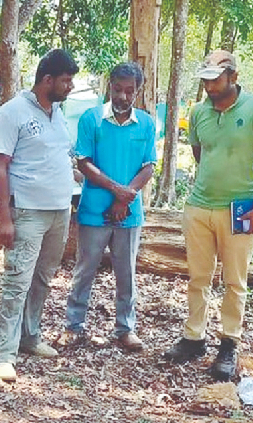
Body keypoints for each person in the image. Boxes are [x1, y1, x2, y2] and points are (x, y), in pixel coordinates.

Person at [162, 50, 253, 382]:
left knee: (234, 280)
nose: (209, 87)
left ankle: (229, 343)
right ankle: (193, 337)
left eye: (215, 80)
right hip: (199, 205)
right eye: (205, 81)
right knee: (198, 277)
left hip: (240, 206)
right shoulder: (199, 112)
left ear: (233, 77)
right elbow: (201, 153)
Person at [0, 49, 79, 383]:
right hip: (27, 210)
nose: (70, 86)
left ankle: (30, 336)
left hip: (59, 210)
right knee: (17, 281)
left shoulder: (58, 113)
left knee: (42, 278)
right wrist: (4, 217)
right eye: (66, 80)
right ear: (47, 80)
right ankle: (3, 354)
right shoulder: (12, 112)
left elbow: (59, 158)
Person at [63, 62, 156, 351]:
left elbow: (149, 166)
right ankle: (73, 325)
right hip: (94, 210)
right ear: (109, 87)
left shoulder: (146, 123)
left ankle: (125, 328)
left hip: (129, 213)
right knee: (85, 270)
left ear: (138, 92)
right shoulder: (91, 119)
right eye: (117, 89)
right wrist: (117, 191)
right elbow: (84, 162)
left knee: (126, 273)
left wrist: (124, 197)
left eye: (130, 91)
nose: (123, 97)